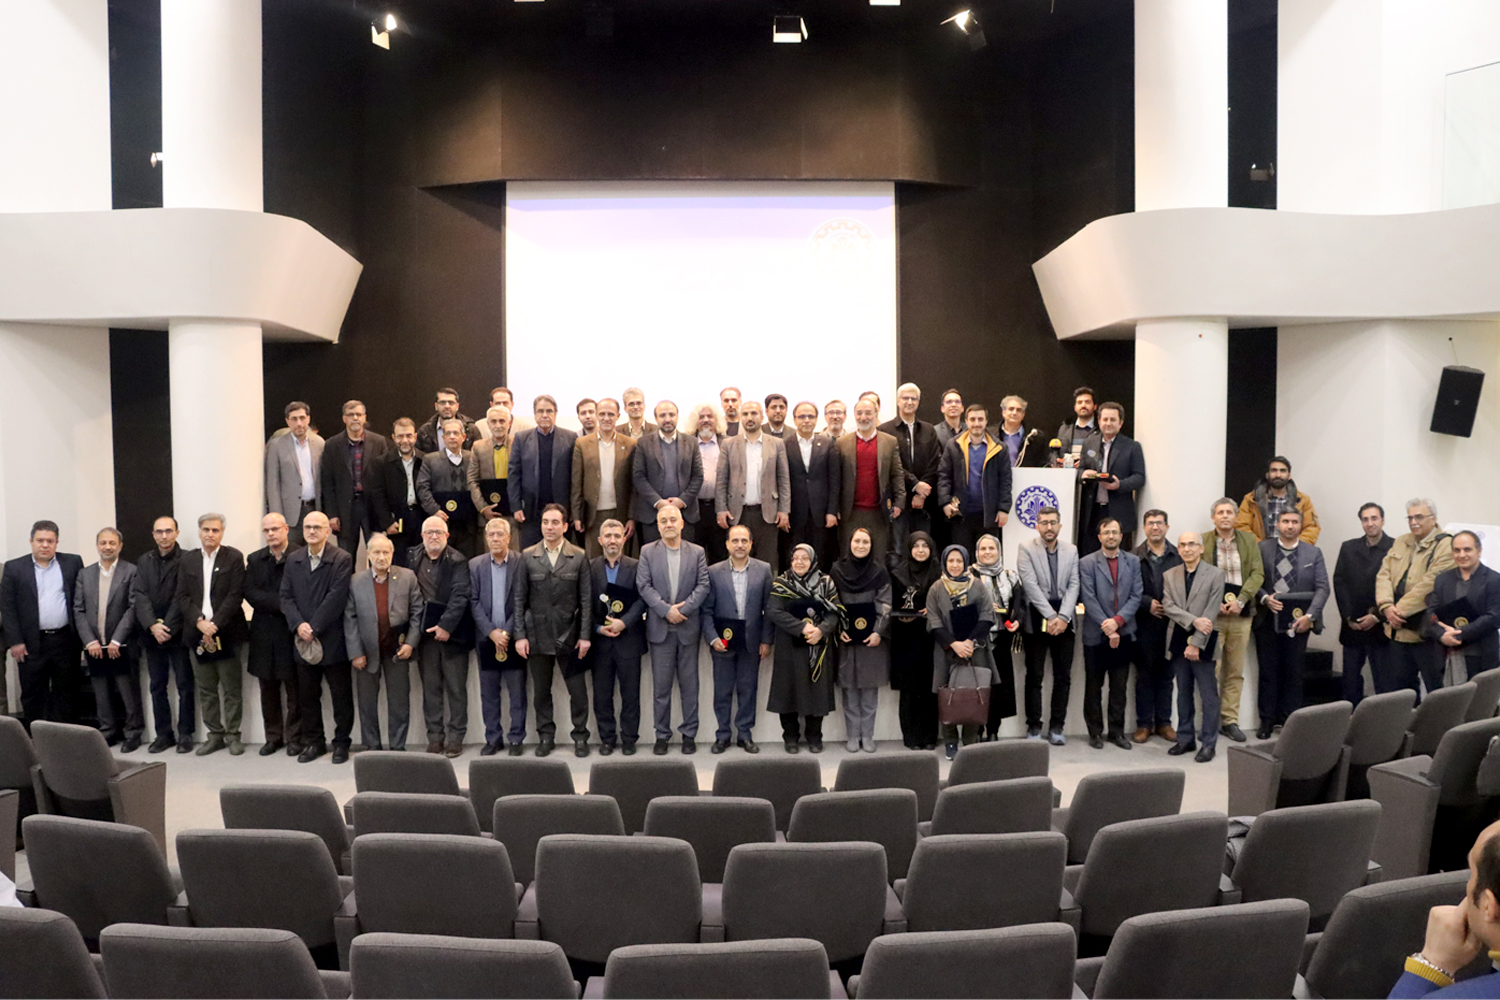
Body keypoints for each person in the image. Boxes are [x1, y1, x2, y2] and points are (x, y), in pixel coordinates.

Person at [515, 504, 593, 757]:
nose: (550, 527)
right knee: (541, 692)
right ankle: (545, 736)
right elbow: (519, 600)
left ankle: (580, 736)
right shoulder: (527, 556)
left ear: (565, 526)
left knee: (578, 692)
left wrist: (584, 637)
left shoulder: (579, 556)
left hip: (570, 635)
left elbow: (586, 601)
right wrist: (520, 636)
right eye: (545, 522)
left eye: (555, 522)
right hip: (537, 635)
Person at [279, 511, 355, 764]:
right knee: (307, 697)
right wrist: (299, 625)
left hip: (332, 639)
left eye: (317, 527)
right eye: (307, 527)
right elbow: (285, 596)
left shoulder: (342, 558)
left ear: (327, 532)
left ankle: (341, 743)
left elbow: (336, 597)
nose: (311, 531)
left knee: (341, 696)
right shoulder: (294, 559)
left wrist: (314, 626)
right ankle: (315, 742)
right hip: (302, 640)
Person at [637, 505, 710, 754]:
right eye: (663, 520)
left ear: (681, 523)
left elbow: (703, 585)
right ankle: (662, 735)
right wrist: (666, 610)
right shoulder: (647, 552)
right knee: (661, 689)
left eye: (672, 519)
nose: (668, 524)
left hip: (688, 628)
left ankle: (689, 734)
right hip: (660, 629)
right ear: (658, 526)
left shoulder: (697, 552)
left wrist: (683, 610)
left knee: (690, 687)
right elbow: (643, 585)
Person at [1253, 508, 1331, 737]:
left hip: (1300, 623)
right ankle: (1267, 721)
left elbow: (1323, 587)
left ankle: (1289, 722)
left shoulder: (1313, 553)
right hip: (1267, 620)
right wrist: (1264, 598)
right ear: (1277, 524)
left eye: (1295, 521)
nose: (1290, 525)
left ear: (1300, 525)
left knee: (1294, 673)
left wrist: (1311, 616)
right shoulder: (1262, 548)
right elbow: (1253, 579)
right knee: (1268, 672)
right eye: (1285, 521)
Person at [175, 513, 248, 756]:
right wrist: (200, 622)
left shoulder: (233, 557)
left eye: (215, 530)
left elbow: (235, 595)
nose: (210, 534)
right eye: (206, 529)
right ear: (199, 532)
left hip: (227, 632)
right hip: (197, 633)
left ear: (222, 533)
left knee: (231, 689)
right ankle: (214, 735)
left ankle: (233, 735)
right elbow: (182, 596)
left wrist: (214, 624)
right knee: (206, 689)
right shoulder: (188, 560)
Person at [2, 521, 86, 729]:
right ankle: (36, 739)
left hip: (65, 640)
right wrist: (15, 641)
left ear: (57, 542)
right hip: (30, 643)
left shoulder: (72, 563)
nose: (45, 545)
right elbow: (8, 607)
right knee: (33, 694)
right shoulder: (14, 567)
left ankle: (66, 737)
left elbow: (81, 599)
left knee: (67, 692)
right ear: (31, 541)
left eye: (50, 541)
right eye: (40, 540)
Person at [346, 533, 422, 752]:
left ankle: (398, 747)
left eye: (386, 552)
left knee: (399, 703)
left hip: (397, 651)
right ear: (368, 554)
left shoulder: (407, 577)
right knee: (367, 703)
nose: (381, 557)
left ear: (392, 553)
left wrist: (410, 643)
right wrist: (355, 652)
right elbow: (349, 618)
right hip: (366, 652)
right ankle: (372, 747)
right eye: (377, 552)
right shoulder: (355, 581)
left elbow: (417, 612)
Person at [703, 523, 773, 754]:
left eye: (744, 541)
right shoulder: (713, 572)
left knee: (748, 690)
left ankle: (744, 734)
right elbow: (706, 610)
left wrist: (766, 640)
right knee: (722, 691)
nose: (739, 545)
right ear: (727, 545)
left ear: (751, 544)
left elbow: (769, 609)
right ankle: (723, 735)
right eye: (735, 541)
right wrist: (712, 638)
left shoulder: (764, 570)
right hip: (722, 644)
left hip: (752, 642)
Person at [1377, 498, 1456, 699]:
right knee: (1402, 691)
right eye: (1410, 517)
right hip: (1397, 630)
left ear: (1433, 519)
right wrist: (1386, 606)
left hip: (1426, 631)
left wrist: (1398, 611)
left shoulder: (1447, 545)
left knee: (1436, 690)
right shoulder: (1401, 541)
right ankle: (1407, 721)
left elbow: (1429, 584)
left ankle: (1436, 721)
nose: (1413, 522)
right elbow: (1383, 574)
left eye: (1419, 517)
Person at [766, 543, 841, 753]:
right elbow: (773, 611)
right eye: (795, 558)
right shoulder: (781, 583)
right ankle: (790, 738)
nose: (799, 562)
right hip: (789, 647)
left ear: (813, 560)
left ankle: (814, 737)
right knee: (788, 692)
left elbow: (835, 611)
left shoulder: (826, 582)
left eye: (805, 558)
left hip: (817, 646)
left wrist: (821, 630)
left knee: (817, 692)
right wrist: (802, 628)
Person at [928, 544, 1000, 760]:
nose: (955, 565)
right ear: (944, 563)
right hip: (946, 651)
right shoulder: (936, 589)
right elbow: (933, 622)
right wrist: (954, 644)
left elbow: (987, 615)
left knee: (973, 695)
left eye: (959, 560)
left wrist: (969, 642)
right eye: (951, 561)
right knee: (947, 695)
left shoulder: (977, 586)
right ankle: (950, 741)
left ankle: (970, 741)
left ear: (966, 562)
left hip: (974, 650)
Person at [73, 528, 142, 751]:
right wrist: (89, 641)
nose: (107, 547)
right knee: (101, 693)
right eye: (103, 543)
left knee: (128, 691)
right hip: (94, 644)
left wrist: (117, 640)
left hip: (121, 644)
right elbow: (78, 610)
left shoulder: (131, 571)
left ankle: (132, 732)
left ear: (120, 546)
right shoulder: (85, 574)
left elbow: (133, 608)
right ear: (97, 546)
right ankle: (108, 730)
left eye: (112, 543)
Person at [409, 515, 473, 758]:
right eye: (429, 532)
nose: (434, 536)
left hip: (453, 636)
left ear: (447, 535)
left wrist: (445, 625)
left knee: (456, 689)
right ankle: (435, 738)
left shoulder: (458, 560)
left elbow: (460, 596)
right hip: (424, 637)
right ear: (422, 536)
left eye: (438, 532)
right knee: (431, 690)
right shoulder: (412, 557)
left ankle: (456, 738)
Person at [1077, 518, 1143, 750]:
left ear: (1121, 536)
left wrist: (1117, 623)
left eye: (1115, 532)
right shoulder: (1086, 563)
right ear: (1099, 537)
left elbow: (1136, 595)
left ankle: (1116, 732)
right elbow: (1088, 597)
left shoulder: (1133, 561)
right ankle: (1095, 732)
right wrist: (1107, 625)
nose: (1111, 536)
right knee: (1093, 687)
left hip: (1124, 633)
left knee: (1119, 688)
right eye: (1106, 533)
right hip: (1095, 635)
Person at [1202, 496, 1264, 743]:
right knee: (1212, 670)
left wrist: (1241, 600)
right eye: (1220, 512)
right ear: (1213, 517)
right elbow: (1198, 574)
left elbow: (1258, 573)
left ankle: (1230, 721)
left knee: (1235, 671)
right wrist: (1212, 602)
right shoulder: (1204, 541)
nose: (1225, 516)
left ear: (1236, 516)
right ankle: (1210, 721)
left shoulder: (1249, 540)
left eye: (1229, 512)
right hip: (1212, 616)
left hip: (1240, 615)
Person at [1016, 506, 1078, 745]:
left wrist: (1063, 617)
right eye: (1044, 522)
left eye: (1053, 522)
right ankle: (1034, 726)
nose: (1049, 527)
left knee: (1063, 676)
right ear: (1037, 526)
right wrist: (1052, 617)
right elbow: (1030, 586)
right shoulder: (1026, 548)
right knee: (1035, 675)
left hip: (1065, 617)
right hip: (1037, 615)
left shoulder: (1071, 550)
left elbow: (1074, 585)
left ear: (1060, 526)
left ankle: (1057, 727)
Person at [131, 516, 193, 752]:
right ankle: (163, 735)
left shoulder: (187, 559)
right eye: (159, 531)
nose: (164, 536)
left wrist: (166, 626)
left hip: (178, 632)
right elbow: (140, 595)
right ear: (153, 534)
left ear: (177, 533)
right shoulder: (144, 560)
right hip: (151, 634)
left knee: (185, 684)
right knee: (157, 686)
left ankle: (185, 733)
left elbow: (182, 595)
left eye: (168, 531)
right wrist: (152, 625)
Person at [1163, 531, 1226, 763]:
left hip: (1205, 639)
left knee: (1209, 696)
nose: (1187, 549)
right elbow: (1168, 606)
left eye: (1191, 544)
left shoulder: (1216, 574)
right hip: (1178, 638)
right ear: (1178, 549)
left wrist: (1196, 642)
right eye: (1182, 545)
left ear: (1201, 548)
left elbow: (1211, 610)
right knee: (1183, 692)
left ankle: (1208, 744)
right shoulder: (1170, 575)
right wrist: (1193, 621)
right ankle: (1185, 738)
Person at [469, 517, 527, 756]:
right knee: (489, 694)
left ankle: (516, 739)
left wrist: (507, 631)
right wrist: (491, 632)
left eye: (499, 534)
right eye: (491, 534)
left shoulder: (521, 562)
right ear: (486, 538)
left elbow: (524, 601)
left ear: (508, 538)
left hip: (513, 638)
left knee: (517, 693)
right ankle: (493, 738)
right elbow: (473, 602)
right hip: (486, 639)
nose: (495, 538)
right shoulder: (475, 565)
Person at [829, 527, 891, 753]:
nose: (861, 546)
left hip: (872, 641)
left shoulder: (880, 571)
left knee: (869, 692)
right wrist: (839, 628)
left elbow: (885, 604)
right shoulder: (837, 570)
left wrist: (878, 631)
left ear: (871, 545)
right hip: (846, 640)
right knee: (849, 691)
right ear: (850, 543)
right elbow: (832, 602)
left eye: (866, 542)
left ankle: (868, 736)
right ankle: (853, 735)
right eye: (857, 541)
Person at [588, 518, 646, 755]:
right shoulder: (589, 567)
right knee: (602, 695)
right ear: (600, 540)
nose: (612, 540)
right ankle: (607, 738)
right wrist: (597, 628)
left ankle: (629, 739)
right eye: (608, 536)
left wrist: (624, 622)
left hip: (629, 639)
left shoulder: (637, 566)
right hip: (600, 642)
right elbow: (584, 604)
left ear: (624, 538)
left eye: (617, 535)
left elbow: (642, 599)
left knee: (631, 694)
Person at [245, 513, 301, 756]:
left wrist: (284, 605)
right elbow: (250, 593)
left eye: (275, 529)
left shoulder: (299, 555)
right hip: (263, 632)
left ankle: (295, 738)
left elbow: (303, 591)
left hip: (291, 631)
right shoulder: (255, 559)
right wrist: (283, 603)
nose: (271, 534)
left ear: (286, 529)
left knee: (295, 690)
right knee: (267, 690)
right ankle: (273, 737)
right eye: (266, 530)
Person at [716, 399, 791, 575]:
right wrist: (720, 509)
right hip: (737, 513)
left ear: (762, 417)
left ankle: (767, 593)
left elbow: (783, 479)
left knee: (768, 562)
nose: (749, 418)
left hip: (768, 514)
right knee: (738, 560)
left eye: (754, 413)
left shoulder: (776, 443)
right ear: (741, 417)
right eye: (745, 414)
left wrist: (784, 510)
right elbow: (721, 479)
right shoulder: (728, 444)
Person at [1335, 503, 1395, 705]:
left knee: (1384, 681)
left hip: (1381, 625)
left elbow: (1398, 586)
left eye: (1374, 518)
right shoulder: (1348, 547)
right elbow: (1339, 582)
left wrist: (1377, 616)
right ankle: (1351, 719)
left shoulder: (1395, 548)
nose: (1370, 523)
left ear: (1383, 520)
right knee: (1350, 680)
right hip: (1353, 625)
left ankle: (1382, 721)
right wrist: (1348, 617)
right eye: (1365, 519)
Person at [1131, 509, 1181, 742]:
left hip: (1172, 625)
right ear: (1144, 528)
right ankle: (1144, 724)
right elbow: (1127, 588)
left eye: (1159, 523)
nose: (1155, 527)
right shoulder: (1134, 556)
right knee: (1144, 677)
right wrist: (1146, 603)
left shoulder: (1178, 555)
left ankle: (1164, 723)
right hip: (1144, 623)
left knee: (1167, 676)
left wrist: (1171, 605)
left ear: (1167, 527)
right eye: (1150, 523)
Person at [937, 404, 1013, 554]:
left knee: (987, 557)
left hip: (989, 515)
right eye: (972, 419)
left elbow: (1005, 481)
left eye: (980, 419)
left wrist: (1004, 508)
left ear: (986, 422)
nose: (976, 423)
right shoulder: (953, 445)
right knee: (962, 556)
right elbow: (944, 475)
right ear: (966, 421)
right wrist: (945, 502)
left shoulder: (999, 448)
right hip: (960, 514)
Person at [1426, 530, 1500, 684]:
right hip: (1447, 655)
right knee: (1450, 699)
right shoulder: (1442, 580)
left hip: (1481, 657)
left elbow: (1494, 617)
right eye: (1457, 550)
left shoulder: (1494, 580)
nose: (1462, 555)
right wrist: (1441, 635)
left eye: (1467, 549)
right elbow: (1430, 614)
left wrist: (1459, 634)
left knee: (1481, 699)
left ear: (1479, 551)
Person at [836, 397, 904, 561]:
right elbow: (836, 478)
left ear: (876, 414)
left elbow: (897, 474)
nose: (863, 417)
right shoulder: (842, 443)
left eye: (868, 413)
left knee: (878, 558)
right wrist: (835, 507)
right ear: (854, 415)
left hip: (879, 512)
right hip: (850, 513)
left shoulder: (889, 441)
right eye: (859, 413)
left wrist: (899, 501)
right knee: (849, 558)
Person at [880, 383, 943, 559]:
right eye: (905, 398)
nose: (909, 402)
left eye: (913, 398)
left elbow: (935, 461)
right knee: (898, 552)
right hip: (898, 501)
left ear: (918, 401)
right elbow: (892, 465)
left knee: (923, 550)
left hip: (924, 502)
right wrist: (915, 484)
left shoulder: (929, 430)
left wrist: (922, 492)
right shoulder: (885, 430)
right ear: (897, 401)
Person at [891, 531, 941, 750]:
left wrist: (933, 609)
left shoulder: (940, 572)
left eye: (925, 546)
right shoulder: (897, 574)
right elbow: (892, 604)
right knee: (909, 690)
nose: (920, 550)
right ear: (909, 549)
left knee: (931, 688)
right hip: (906, 638)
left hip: (932, 638)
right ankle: (911, 737)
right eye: (916, 546)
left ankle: (930, 737)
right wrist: (900, 615)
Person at [508, 396, 578, 551]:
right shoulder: (521, 438)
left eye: (549, 411)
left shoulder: (570, 438)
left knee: (561, 554)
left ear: (556, 413)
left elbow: (575, 476)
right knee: (531, 554)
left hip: (561, 510)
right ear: (534, 414)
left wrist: (574, 510)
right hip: (531, 511)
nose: (545, 415)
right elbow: (514, 474)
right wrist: (516, 506)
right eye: (540, 411)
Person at [969, 534, 1021, 740]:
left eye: (992, 548)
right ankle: (976, 730)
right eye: (983, 549)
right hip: (976, 639)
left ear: (999, 551)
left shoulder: (1010, 576)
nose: (987, 552)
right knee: (977, 685)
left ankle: (993, 731)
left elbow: (1019, 605)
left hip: (1002, 638)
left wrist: (1017, 621)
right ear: (976, 552)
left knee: (998, 686)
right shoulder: (968, 575)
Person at [631, 400, 704, 546]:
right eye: (662, 415)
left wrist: (681, 501)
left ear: (677, 416)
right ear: (656, 418)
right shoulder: (644, 443)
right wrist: (658, 502)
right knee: (653, 556)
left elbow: (698, 476)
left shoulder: (691, 442)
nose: (667, 419)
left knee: (685, 555)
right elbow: (638, 476)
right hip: (652, 515)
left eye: (671, 414)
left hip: (684, 514)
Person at [1078, 402, 1146, 555]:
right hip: (1092, 511)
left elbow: (1139, 477)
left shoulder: (1132, 446)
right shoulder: (1089, 442)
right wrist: (1082, 474)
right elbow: (1080, 469)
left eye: (1113, 420)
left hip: (1118, 510)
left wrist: (1120, 485)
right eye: (1105, 419)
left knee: (1119, 556)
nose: (1108, 423)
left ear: (1120, 423)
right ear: (1099, 421)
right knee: (1091, 556)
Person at [571, 397, 635, 559]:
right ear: (597, 415)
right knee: (594, 560)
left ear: (618, 416)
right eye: (602, 414)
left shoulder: (630, 444)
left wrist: (632, 517)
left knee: (620, 560)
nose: (606, 418)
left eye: (611, 414)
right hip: (593, 515)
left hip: (620, 513)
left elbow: (634, 485)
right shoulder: (582, 444)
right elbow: (576, 483)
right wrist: (577, 516)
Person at [321, 400, 388, 553]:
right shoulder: (332, 444)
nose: (355, 418)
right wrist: (332, 514)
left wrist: (385, 512)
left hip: (373, 507)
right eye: (351, 415)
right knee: (345, 555)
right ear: (344, 418)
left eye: (358, 414)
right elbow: (328, 482)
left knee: (377, 551)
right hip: (345, 509)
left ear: (364, 417)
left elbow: (386, 478)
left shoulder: (379, 442)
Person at [784, 400, 841, 571]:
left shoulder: (827, 443)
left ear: (817, 419)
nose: (806, 420)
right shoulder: (785, 444)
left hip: (821, 514)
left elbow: (834, 480)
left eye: (810, 416)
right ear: (794, 420)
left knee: (820, 556)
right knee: (795, 556)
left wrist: (832, 511)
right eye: (802, 417)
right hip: (794, 512)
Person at [264, 401, 324, 546]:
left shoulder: (319, 443)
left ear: (308, 419)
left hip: (314, 509)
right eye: (294, 419)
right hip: (289, 514)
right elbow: (272, 484)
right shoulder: (276, 445)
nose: (299, 423)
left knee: (314, 552)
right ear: (287, 421)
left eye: (302, 418)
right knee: (290, 554)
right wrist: (277, 517)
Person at [417, 417, 478, 557]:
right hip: (442, 522)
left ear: (463, 437)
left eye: (456, 433)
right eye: (448, 433)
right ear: (443, 437)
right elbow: (422, 487)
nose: (452, 437)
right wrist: (434, 510)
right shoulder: (430, 460)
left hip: (468, 525)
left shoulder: (472, 458)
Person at [369, 417, 425, 567]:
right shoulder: (381, 463)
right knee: (398, 563)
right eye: (400, 436)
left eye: (409, 436)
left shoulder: (426, 460)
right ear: (393, 438)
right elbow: (378, 495)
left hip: (421, 518)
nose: (405, 440)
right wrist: (387, 522)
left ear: (415, 436)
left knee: (421, 563)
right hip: (396, 520)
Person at [1235, 456, 1321, 544]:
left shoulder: (1303, 500)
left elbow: (1312, 528)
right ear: (1267, 475)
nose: (1278, 475)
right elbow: (1241, 527)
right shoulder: (1251, 499)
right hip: (1259, 550)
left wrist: (1294, 546)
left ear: (1289, 475)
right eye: (1274, 470)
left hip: (1293, 551)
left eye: (1282, 471)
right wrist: (1261, 547)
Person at [468, 405, 517, 551]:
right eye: (494, 421)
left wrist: (519, 507)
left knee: (514, 556)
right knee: (491, 556)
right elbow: (472, 480)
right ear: (488, 424)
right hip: (488, 515)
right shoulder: (478, 447)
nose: (498, 425)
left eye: (502, 421)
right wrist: (483, 508)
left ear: (509, 423)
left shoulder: (519, 445)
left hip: (514, 515)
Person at [692, 403, 728, 563]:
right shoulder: (687, 443)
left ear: (717, 420)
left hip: (719, 509)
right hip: (694, 509)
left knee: (719, 556)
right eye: (701, 417)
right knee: (695, 556)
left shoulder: (727, 443)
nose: (706, 420)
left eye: (710, 416)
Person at [415, 387, 481, 454]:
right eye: (442, 402)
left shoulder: (470, 429)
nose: (447, 406)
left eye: (451, 403)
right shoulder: (425, 431)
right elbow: (420, 456)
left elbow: (478, 454)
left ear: (457, 406)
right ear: (436, 406)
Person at [1051, 386, 1100, 470]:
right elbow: (1055, 452)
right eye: (1079, 402)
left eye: (1087, 402)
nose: (1083, 405)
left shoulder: (1100, 429)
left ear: (1095, 406)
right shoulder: (1065, 428)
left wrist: (1085, 461)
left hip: (1091, 474)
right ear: (1075, 407)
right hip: (1067, 474)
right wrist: (1056, 461)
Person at [996, 395, 1041, 468]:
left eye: (1019, 410)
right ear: (1003, 412)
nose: (1014, 413)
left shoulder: (1035, 437)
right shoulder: (990, 435)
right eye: (1011, 409)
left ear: (1023, 415)